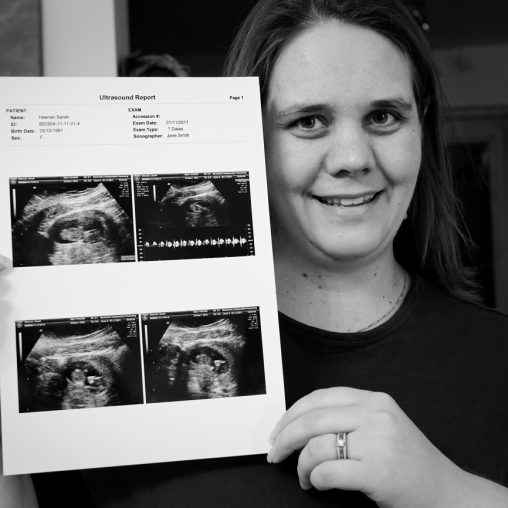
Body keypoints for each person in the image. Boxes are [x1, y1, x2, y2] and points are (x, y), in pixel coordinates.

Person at [6, 0, 508, 506]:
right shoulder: (117, 384)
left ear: (420, 126)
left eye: (383, 116)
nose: (353, 158)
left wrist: (451, 492)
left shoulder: (496, 358)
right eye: (309, 121)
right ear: (248, 138)